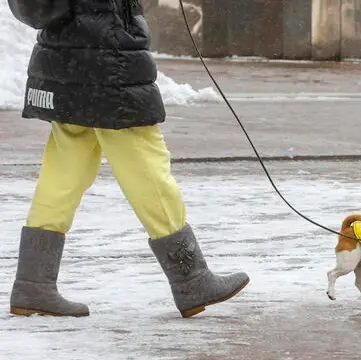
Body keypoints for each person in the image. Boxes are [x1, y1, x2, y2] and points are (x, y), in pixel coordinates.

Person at [7, 0, 249, 318]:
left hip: (70, 62)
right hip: (108, 66)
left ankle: (32, 284)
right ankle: (192, 279)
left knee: (64, 172)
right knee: (147, 167)